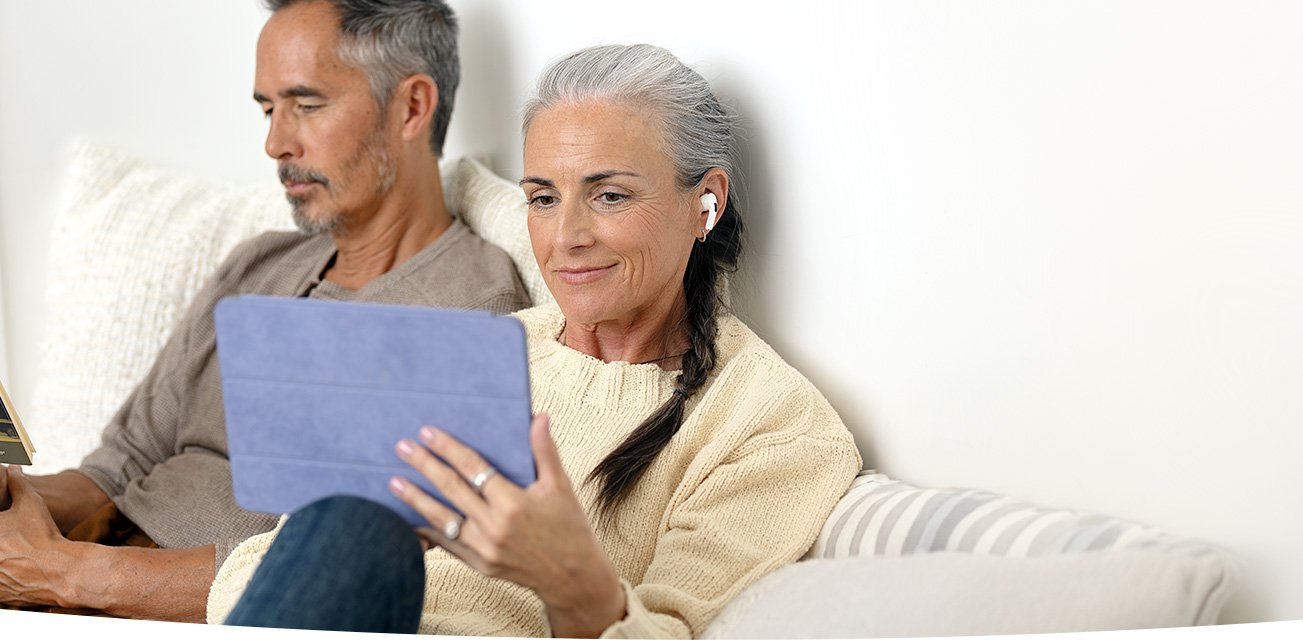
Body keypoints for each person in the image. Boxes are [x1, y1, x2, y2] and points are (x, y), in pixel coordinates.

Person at [203, 44, 863, 637]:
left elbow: (668, 631)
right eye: (544, 199)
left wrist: (566, 576)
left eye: (607, 196)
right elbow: (258, 572)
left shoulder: (771, 426)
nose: (566, 236)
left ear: (706, 204)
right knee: (353, 528)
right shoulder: (479, 356)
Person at [0, 0, 529, 620]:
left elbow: (354, 567)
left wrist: (71, 576)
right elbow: (120, 465)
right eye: (268, 109)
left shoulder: (473, 314)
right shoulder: (259, 265)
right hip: (69, 571)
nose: (276, 142)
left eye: (306, 105)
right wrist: (18, 495)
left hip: (171, 605)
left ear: (411, 106)